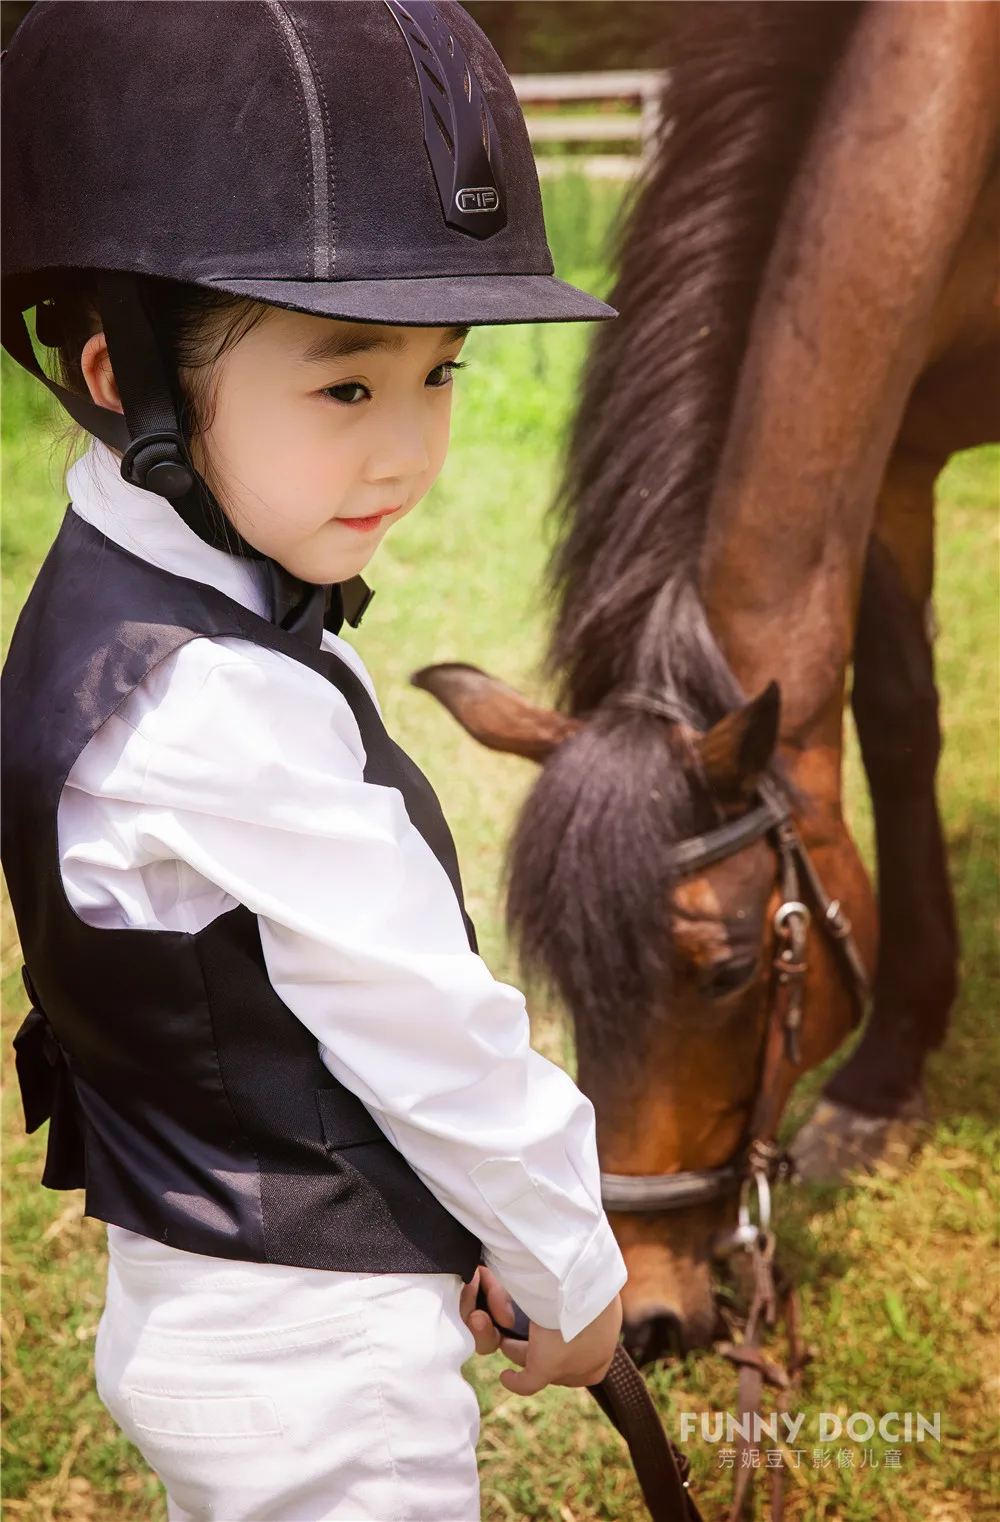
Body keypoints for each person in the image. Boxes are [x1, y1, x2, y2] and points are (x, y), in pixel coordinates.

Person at [1, 4, 627, 1520]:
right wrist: (571, 1263)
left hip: (237, 1305)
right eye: (348, 386)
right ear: (118, 373)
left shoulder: (156, 598)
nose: (408, 450)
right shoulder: (212, 702)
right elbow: (427, 1030)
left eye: (440, 374)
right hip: (314, 1361)